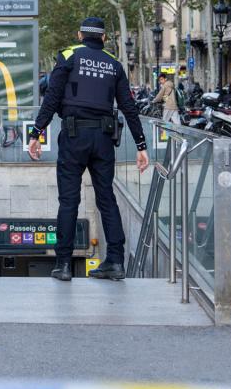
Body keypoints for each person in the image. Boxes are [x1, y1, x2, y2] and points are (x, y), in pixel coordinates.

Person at [28, 17, 149, 282]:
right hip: (104, 139)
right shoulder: (114, 64)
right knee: (106, 198)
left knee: (69, 200)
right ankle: (115, 262)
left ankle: (63, 265)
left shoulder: (68, 56)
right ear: (104, 38)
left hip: (74, 137)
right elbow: (129, 107)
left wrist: (36, 133)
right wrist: (142, 146)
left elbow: (52, 98)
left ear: (80, 35)